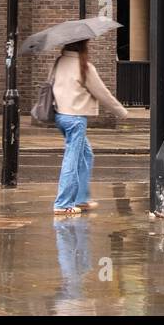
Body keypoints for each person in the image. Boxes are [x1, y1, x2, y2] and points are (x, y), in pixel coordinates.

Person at [51, 39, 127, 216]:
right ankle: (63, 204)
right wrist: (121, 112)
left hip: (60, 115)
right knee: (72, 158)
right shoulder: (84, 66)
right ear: (83, 46)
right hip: (76, 118)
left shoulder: (59, 61)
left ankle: (81, 199)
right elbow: (102, 93)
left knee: (86, 154)